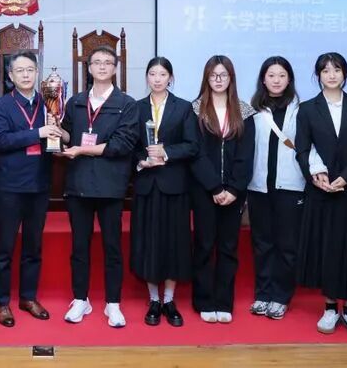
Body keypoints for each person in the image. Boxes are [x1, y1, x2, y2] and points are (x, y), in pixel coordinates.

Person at [295, 52, 347, 340]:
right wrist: (316, 175)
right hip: (323, 190)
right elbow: (303, 148)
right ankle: (330, 307)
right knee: (329, 249)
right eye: (325, 70)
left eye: (337, 69)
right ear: (318, 75)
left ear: (345, 74)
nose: (331, 75)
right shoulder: (307, 109)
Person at [59, 45, 139, 328]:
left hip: (110, 185)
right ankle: (80, 299)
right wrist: (55, 127)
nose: (102, 67)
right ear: (89, 68)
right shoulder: (75, 102)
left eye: (108, 62)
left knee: (112, 247)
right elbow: (69, 134)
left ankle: (112, 303)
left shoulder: (127, 104)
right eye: (97, 62)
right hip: (78, 184)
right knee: (79, 246)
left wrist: (82, 149)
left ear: (115, 68)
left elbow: (122, 145)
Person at [0, 51, 61, 327]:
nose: (26, 74)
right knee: (5, 248)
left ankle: (28, 298)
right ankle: (2, 302)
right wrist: (37, 133)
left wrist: (58, 134)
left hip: (39, 184)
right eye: (20, 70)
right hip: (10, 187)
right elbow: (0, 141)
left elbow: (57, 137)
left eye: (30, 69)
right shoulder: (1, 106)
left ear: (37, 72)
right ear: (10, 76)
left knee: (33, 247)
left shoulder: (50, 102)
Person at [131, 57, 198, 327]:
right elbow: (130, 145)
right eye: (152, 74)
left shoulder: (183, 107)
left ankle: (169, 299)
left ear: (170, 77)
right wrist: (142, 161)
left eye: (162, 74)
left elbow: (192, 145)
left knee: (173, 243)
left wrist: (166, 152)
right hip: (147, 184)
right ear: (146, 77)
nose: (157, 79)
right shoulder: (136, 108)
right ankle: (154, 300)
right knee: (149, 243)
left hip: (174, 186)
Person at [190, 55, 255, 324]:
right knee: (205, 244)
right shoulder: (195, 110)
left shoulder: (245, 111)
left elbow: (246, 155)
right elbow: (196, 153)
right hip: (204, 190)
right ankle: (204, 300)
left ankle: (224, 302)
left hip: (234, 192)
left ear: (231, 78)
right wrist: (215, 187)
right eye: (213, 75)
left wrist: (234, 189)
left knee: (228, 247)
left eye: (223, 75)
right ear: (206, 78)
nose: (218, 80)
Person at [248, 56, 307, 321]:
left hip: (290, 186)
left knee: (286, 244)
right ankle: (263, 294)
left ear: (289, 79)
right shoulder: (252, 109)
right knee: (262, 243)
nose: (276, 80)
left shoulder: (302, 110)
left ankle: (281, 297)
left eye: (282, 75)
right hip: (259, 185)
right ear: (263, 79)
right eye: (271, 75)